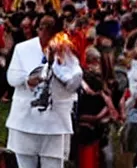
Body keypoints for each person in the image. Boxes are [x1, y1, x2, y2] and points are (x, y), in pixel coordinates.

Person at [5, 15, 82, 168]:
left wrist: (57, 68)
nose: (47, 34)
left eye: (52, 31)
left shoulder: (66, 51)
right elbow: (11, 77)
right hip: (25, 120)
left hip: (55, 122)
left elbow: (75, 81)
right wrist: (27, 80)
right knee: (23, 163)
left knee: (53, 163)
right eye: (43, 29)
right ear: (38, 29)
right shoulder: (23, 48)